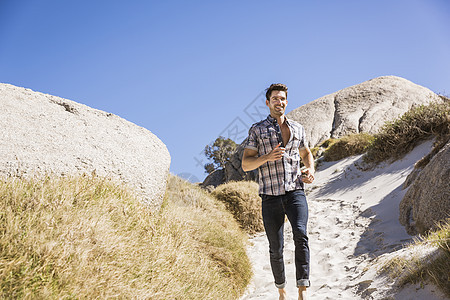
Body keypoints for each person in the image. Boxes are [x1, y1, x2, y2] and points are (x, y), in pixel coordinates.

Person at [242, 83, 315, 300]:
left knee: (301, 235)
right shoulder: (257, 129)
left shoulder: (298, 128)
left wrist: (310, 169)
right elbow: (246, 164)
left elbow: (306, 153)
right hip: (270, 196)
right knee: (276, 246)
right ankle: (282, 291)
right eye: (275, 99)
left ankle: (302, 290)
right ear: (267, 102)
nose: (279, 102)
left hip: (295, 192)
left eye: (282, 98)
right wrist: (266, 157)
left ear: (286, 101)